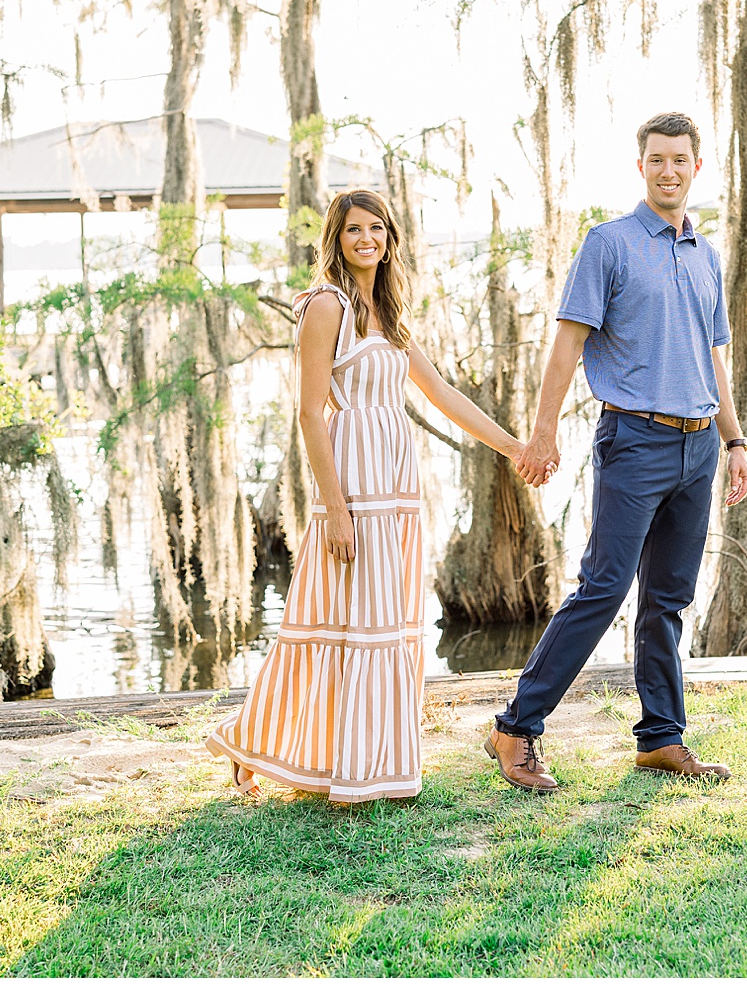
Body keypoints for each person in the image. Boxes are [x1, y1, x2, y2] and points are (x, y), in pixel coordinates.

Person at [206, 189, 527, 802]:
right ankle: (258, 744)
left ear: (389, 239)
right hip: (354, 486)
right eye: (353, 229)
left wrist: (512, 449)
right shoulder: (326, 305)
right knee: (329, 624)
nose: (366, 239)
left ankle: (373, 761)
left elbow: (442, 395)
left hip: (398, 489)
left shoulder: (392, 313)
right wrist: (333, 508)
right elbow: (308, 413)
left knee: (386, 628)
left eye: (376, 229)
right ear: (336, 238)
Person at [486, 111, 747, 792]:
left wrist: (736, 439)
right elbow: (567, 345)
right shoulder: (607, 244)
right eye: (658, 158)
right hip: (634, 439)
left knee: (668, 598)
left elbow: (713, 359)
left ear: (697, 166)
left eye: (681, 159)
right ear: (642, 167)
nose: (670, 169)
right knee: (605, 587)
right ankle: (516, 726)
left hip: (699, 449)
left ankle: (662, 738)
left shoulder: (707, 255)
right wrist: (542, 433)